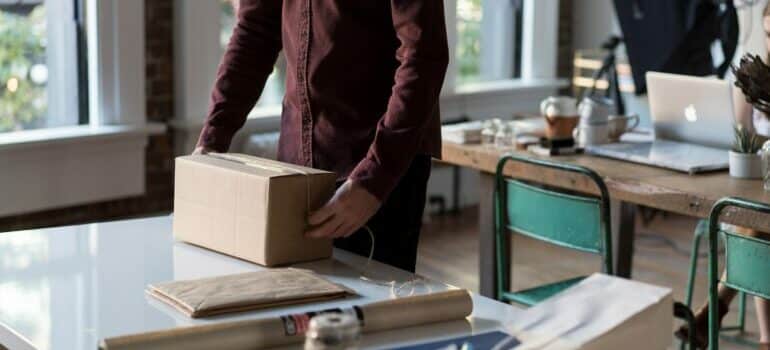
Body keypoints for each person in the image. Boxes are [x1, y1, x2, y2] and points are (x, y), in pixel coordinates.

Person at [193, 1, 449, 273]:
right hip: (296, 167)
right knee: (297, 305)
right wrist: (211, 140)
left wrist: (374, 179)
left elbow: (423, 55)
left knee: (369, 312)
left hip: (376, 166)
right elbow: (255, 31)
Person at [676, 4, 770, 349]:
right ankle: (764, 335)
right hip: (755, 188)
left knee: (758, 222)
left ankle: (718, 309)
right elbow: (739, 136)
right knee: (756, 219)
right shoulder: (756, 75)